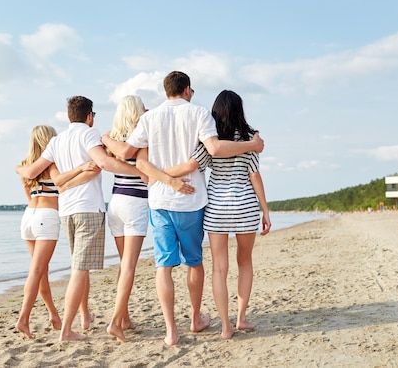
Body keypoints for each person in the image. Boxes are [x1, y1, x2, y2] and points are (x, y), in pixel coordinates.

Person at [101, 71, 264, 346]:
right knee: (194, 263)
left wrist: (105, 139)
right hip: (191, 201)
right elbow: (212, 148)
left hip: (159, 202)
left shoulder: (149, 118)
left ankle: (170, 332)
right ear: (187, 90)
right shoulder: (200, 114)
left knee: (164, 267)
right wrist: (252, 145)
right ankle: (196, 318)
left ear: (166, 91)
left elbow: (129, 153)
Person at [16, 96, 145, 342]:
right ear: (89, 116)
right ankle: (66, 330)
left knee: (80, 268)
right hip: (88, 209)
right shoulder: (89, 134)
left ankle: (87, 319)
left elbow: (35, 173)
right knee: (79, 269)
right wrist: (141, 172)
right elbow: (105, 162)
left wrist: (18, 169)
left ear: (69, 116)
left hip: (66, 212)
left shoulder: (56, 140)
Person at [181, 90, 272, 339]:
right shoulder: (248, 138)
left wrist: (161, 175)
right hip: (244, 207)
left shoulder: (212, 140)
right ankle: (241, 318)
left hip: (217, 209)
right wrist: (265, 210)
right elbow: (255, 175)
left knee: (219, 269)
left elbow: (192, 165)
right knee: (245, 262)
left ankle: (225, 326)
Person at [14, 125, 100, 340]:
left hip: (28, 217)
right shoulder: (52, 164)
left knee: (41, 270)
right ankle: (23, 319)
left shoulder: (25, 166)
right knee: (37, 271)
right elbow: (61, 185)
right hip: (46, 217)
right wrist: (81, 169)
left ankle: (53, 314)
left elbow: (27, 193)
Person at [104, 95, 149, 343]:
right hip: (135, 203)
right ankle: (114, 322)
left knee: (124, 265)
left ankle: (125, 318)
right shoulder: (141, 136)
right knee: (129, 266)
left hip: (115, 202)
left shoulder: (113, 139)